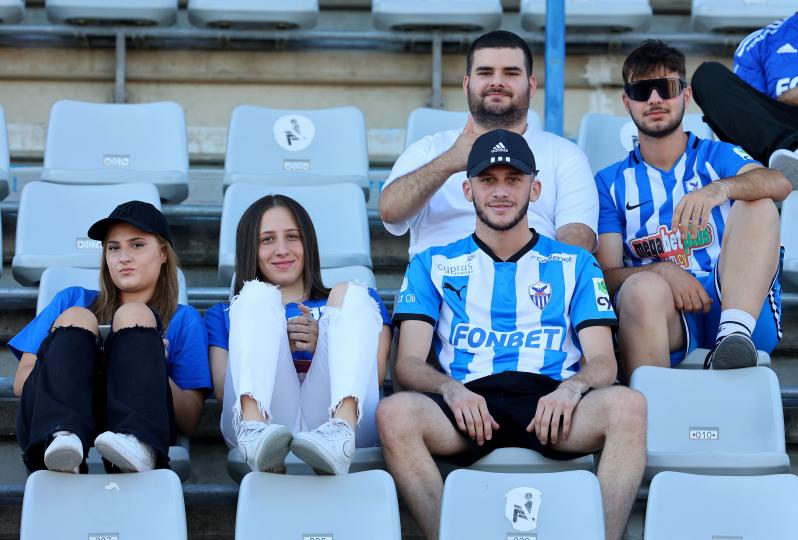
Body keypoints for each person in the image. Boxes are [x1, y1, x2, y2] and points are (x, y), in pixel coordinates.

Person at [377, 129, 646, 540]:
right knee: (394, 414)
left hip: (552, 406)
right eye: (488, 180)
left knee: (629, 406)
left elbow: (604, 363)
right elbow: (408, 364)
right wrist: (450, 390)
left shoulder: (575, 262)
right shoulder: (432, 263)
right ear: (468, 190)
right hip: (468, 407)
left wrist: (571, 389)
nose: (500, 191)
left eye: (513, 179)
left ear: (534, 189)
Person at [595, 40, 791, 379]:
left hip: (738, 302)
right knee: (639, 289)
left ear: (685, 96)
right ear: (627, 102)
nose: (654, 99)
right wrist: (661, 271)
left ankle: (732, 337)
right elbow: (605, 276)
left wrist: (720, 188)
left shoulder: (717, 155)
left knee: (758, 202)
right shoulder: (609, 183)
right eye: (641, 91)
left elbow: (780, 182)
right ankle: (651, 404)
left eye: (666, 88)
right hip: (664, 312)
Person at [11, 201, 210, 473]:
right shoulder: (71, 299)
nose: (123, 257)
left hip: (145, 427)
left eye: (137, 245)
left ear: (163, 252)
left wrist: (150, 367)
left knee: (135, 315)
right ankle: (63, 437)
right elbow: (21, 382)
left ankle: (136, 441)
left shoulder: (185, 320)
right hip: (50, 423)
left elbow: (190, 419)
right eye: (113, 248)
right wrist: (72, 361)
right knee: (78, 318)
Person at [204, 194, 392, 475]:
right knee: (254, 293)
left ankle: (339, 434)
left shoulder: (351, 303)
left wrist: (322, 346)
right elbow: (222, 389)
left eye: (292, 237)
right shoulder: (229, 312)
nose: (281, 249)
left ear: (308, 243)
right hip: (265, 419)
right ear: (250, 248)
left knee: (352, 290)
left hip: (338, 419)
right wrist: (277, 344)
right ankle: (255, 433)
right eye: (267, 239)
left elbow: (374, 376)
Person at [379, 30, 598, 257]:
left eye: (511, 73)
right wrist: (450, 161)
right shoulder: (430, 149)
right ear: (467, 84)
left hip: (533, 275)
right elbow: (389, 212)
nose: (497, 82)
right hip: (439, 276)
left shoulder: (565, 154)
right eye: (485, 72)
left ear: (531, 86)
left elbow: (578, 240)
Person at [692, 12, 798, 186]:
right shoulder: (761, 42)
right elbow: (750, 113)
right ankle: (789, 154)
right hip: (783, 133)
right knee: (708, 75)